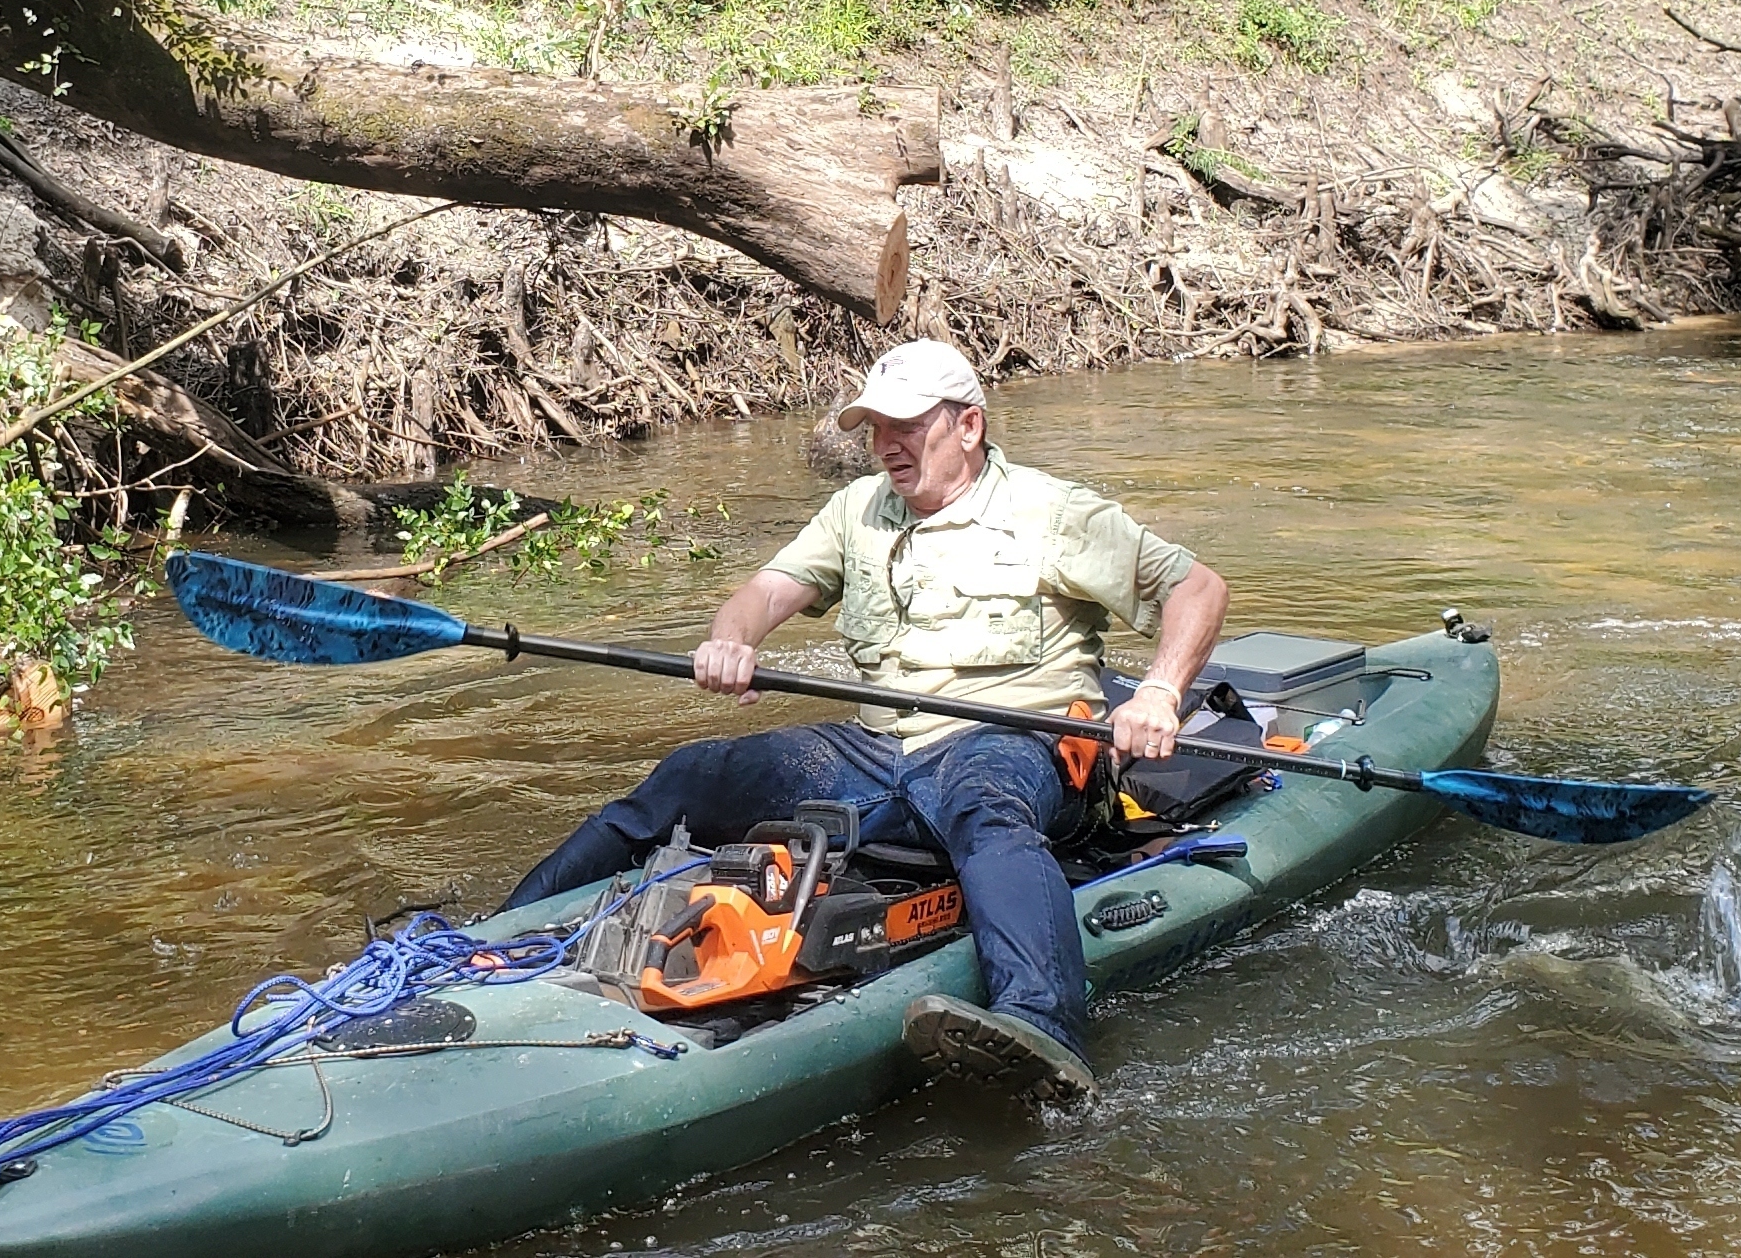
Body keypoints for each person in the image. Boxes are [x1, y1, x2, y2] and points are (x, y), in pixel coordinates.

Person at [502, 339, 1230, 1103]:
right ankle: (502, 935)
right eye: (875, 426)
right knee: (693, 775)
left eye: (905, 426)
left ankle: (1042, 1021)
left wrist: (1158, 693)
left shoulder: (1053, 512)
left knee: (984, 807)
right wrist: (732, 639)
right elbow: (765, 592)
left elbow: (1198, 589)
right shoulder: (856, 510)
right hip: (877, 750)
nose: (884, 445)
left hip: (1016, 742)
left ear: (969, 426)